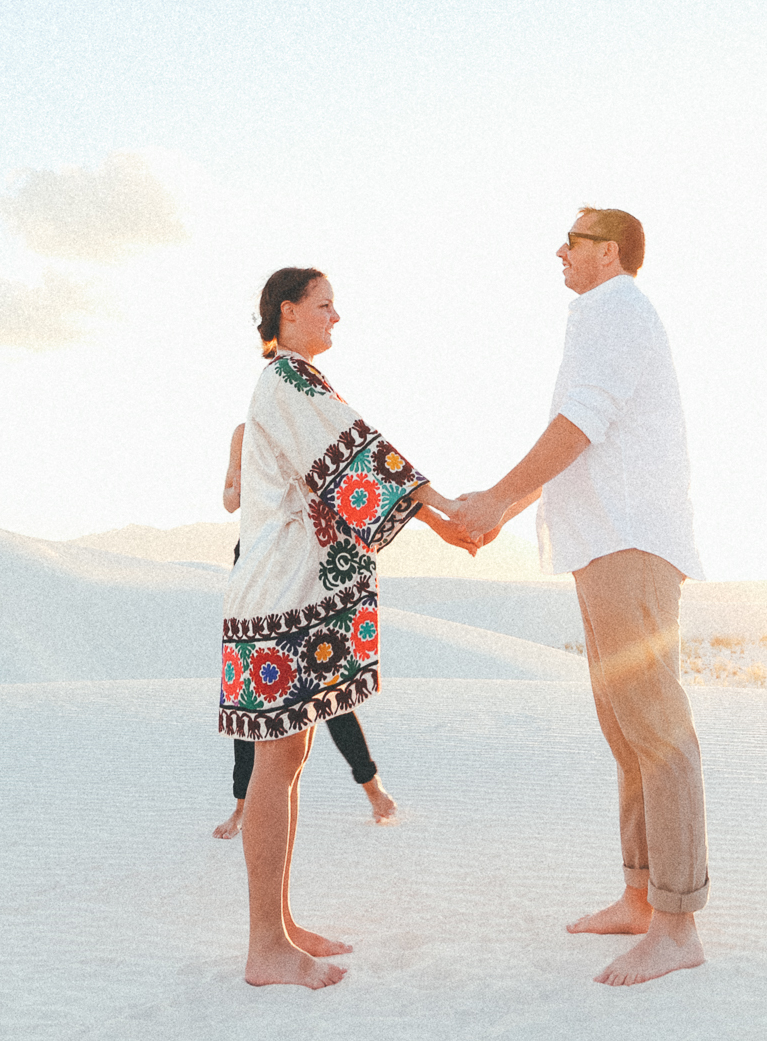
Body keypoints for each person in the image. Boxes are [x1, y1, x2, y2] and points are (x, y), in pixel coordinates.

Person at [449, 208, 708, 989]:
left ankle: (676, 924)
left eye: (572, 241)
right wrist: (505, 507)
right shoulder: (601, 314)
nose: (557, 251)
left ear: (610, 253)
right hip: (605, 544)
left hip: (628, 541)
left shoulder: (615, 308)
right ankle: (641, 897)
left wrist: (495, 500)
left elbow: (579, 424)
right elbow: (583, 432)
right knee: (625, 727)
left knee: (656, 730)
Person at [221, 265, 472, 990]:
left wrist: (442, 513)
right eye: (324, 305)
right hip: (275, 597)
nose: (337, 317)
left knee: (288, 762)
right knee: (276, 764)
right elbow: (357, 456)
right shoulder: (287, 382)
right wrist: (447, 511)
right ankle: (265, 945)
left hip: (283, 592)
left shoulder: (296, 382)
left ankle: (279, 922)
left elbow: (351, 459)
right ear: (288, 311)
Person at [212, 421, 397, 836]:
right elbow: (228, 499)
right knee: (254, 694)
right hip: (258, 561)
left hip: (304, 559)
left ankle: (373, 788)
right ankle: (241, 807)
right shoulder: (242, 432)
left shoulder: (302, 427)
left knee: (327, 683)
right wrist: (240, 490)